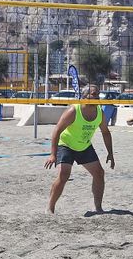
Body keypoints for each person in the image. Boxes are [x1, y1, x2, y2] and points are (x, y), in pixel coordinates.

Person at [43, 84, 114, 214]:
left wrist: (110, 153)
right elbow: (57, 130)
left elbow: (105, 132)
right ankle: (50, 207)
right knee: (64, 175)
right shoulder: (74, 111)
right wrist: (53, 154)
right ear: (84, 96)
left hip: (84, 146)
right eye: (94, 94)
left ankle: (98, 208)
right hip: (66, 145)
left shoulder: (100, 112)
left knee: (99, 173)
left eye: (98, 94)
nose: (97, 97)